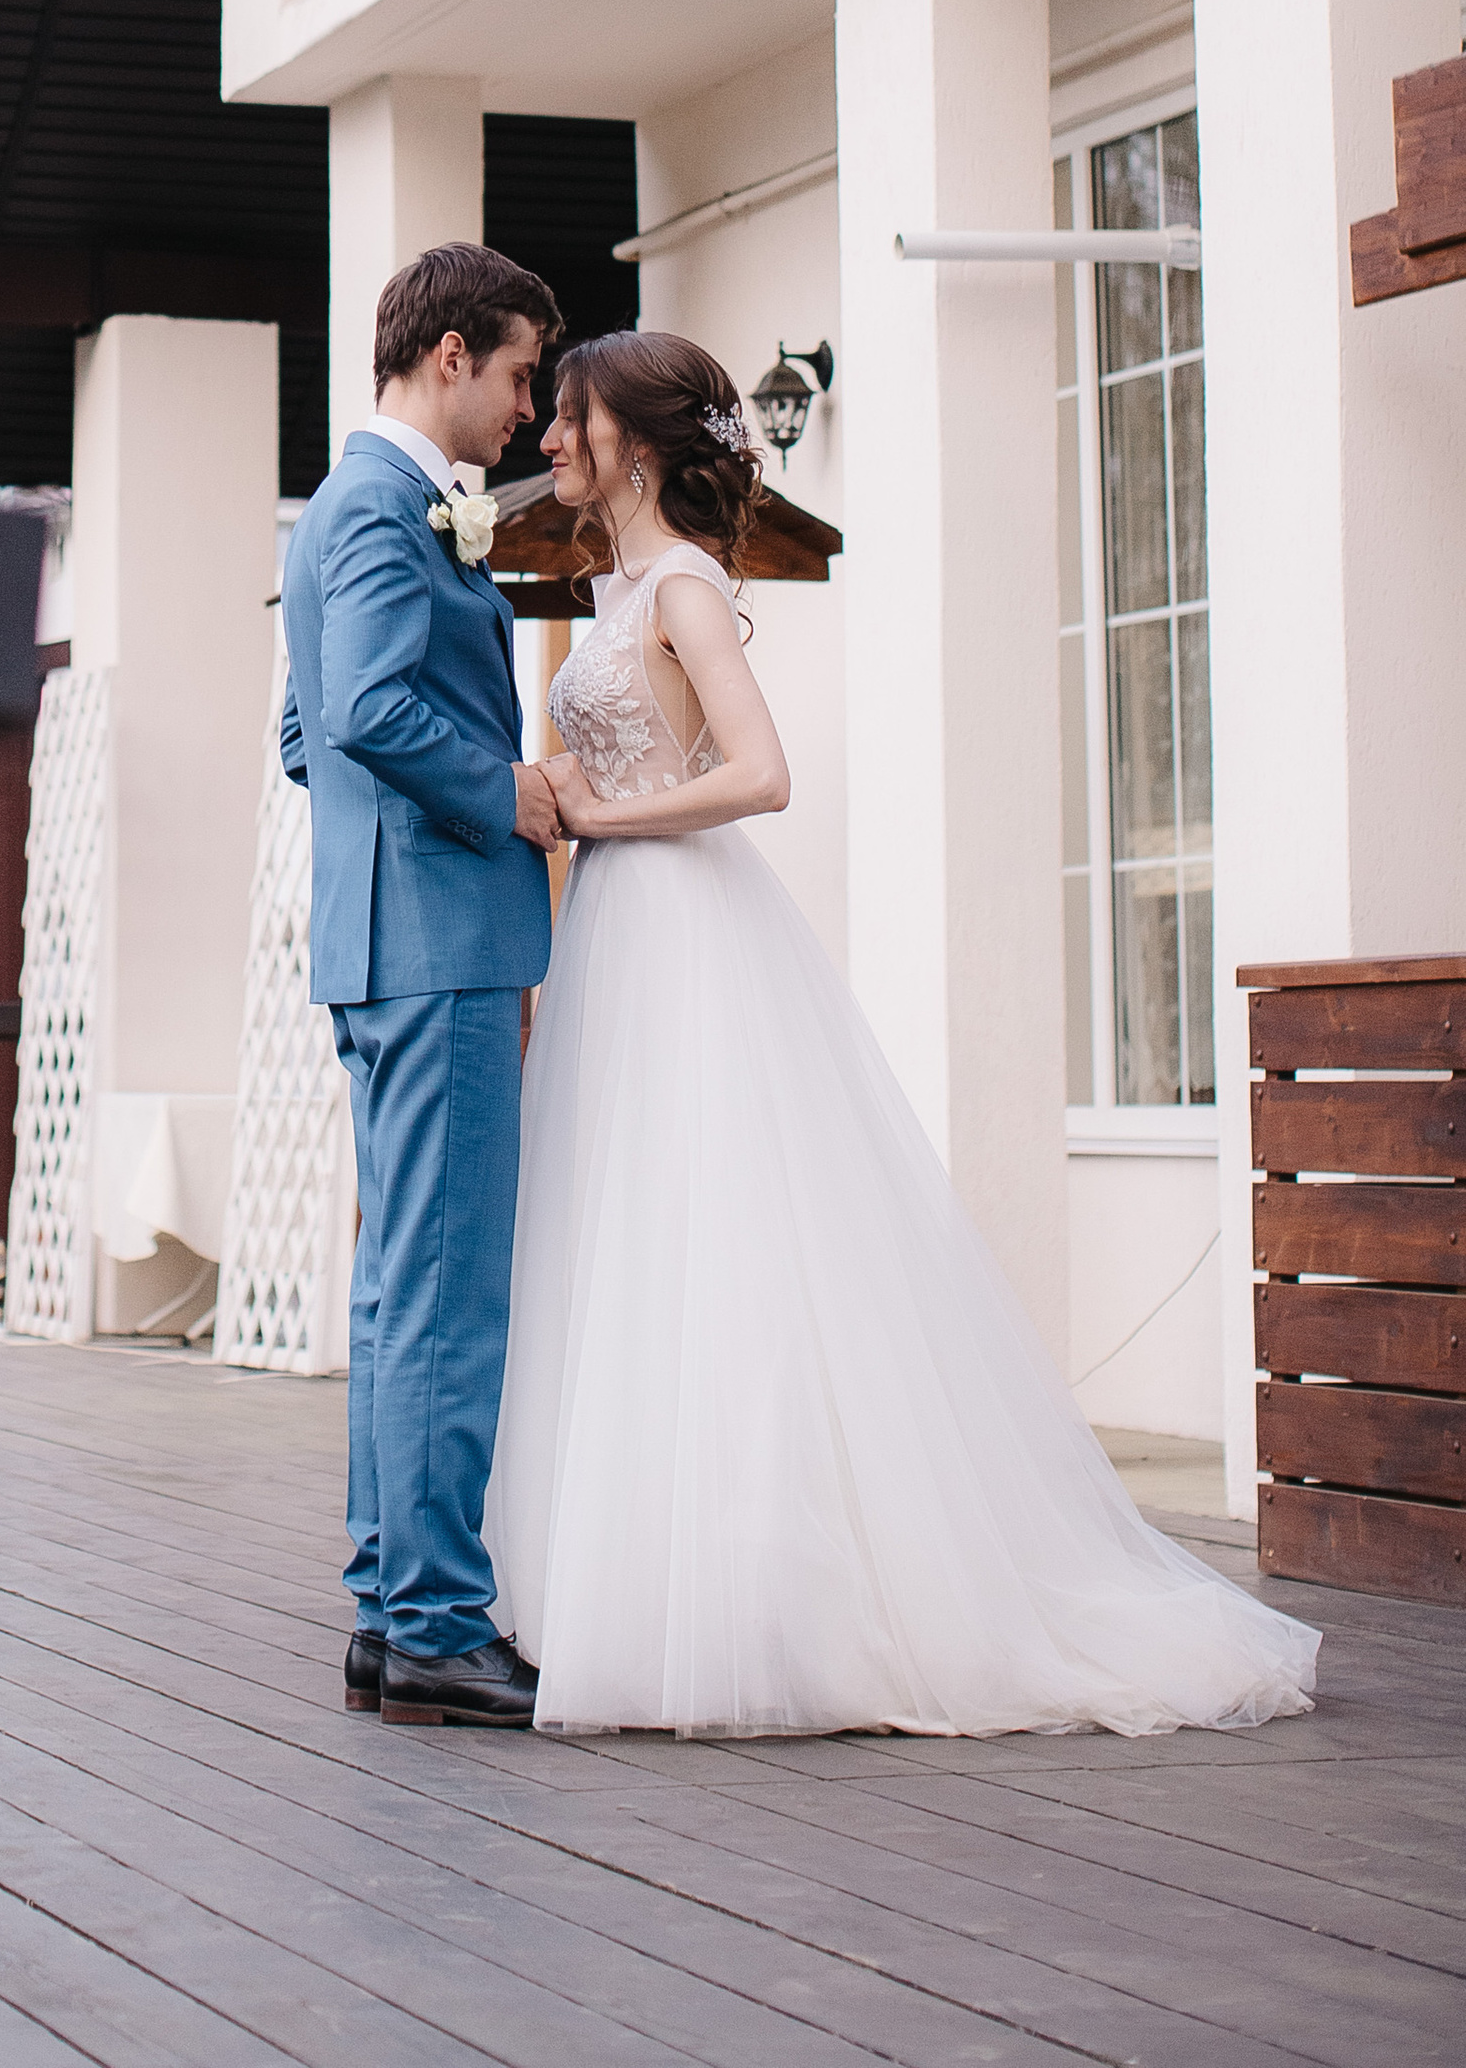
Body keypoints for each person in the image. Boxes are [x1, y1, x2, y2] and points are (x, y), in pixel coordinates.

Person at [487, 324, 1320, 1738]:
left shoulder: (684, 584)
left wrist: (598, 814)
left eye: (569, 418)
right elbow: (646, 746)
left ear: (630, 437)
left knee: (724, 1242)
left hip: (685, 925)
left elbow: (760, 774)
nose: (550, 440)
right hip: (621, 931)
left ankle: (761, 1598)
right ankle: (633, 1579)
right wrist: (560, 786)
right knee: (632, 1238)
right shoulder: (617, 582)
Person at [277, 241, 564, 1729]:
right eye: (520, 374)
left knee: (402, 1289)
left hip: (378, 939)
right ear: (450, 355)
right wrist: (502, 796)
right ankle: (442, 1623)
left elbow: (305, 732)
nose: (526, 409)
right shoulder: (391, 506)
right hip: (439, 942)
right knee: (444, 1295)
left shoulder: (336, 513)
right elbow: (376, 707)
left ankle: (395, 1612)